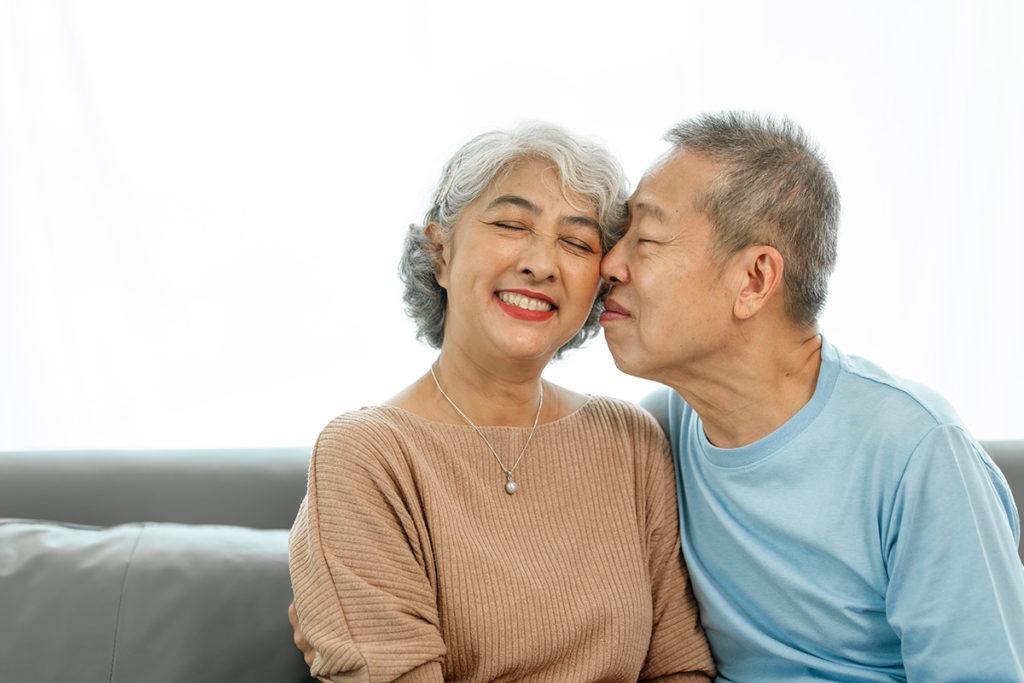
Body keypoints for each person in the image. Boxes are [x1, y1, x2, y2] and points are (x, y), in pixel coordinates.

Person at [600, 111, 1024, 681]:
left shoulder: (916, 451)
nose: (610, 263)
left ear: (753, 280)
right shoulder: (659, 434)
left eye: (645, 238)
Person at [287, 122, 716, 682]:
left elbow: (682, 671)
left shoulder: (631, 440)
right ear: (439, 251)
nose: (542, 263)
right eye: (512, 224)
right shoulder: (366, 456)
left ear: (601, 282)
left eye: (578, 242)